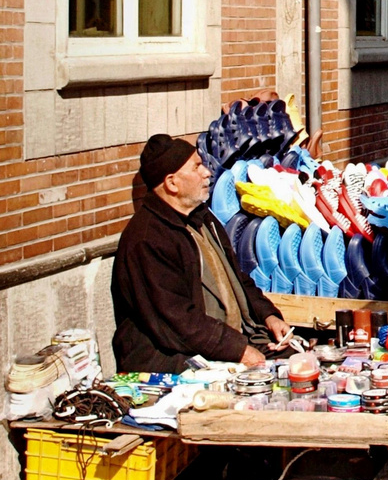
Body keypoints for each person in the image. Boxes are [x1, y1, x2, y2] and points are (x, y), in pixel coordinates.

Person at [111, 135, 290, 372]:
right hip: (170, 357)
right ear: (172, 183)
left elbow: (238, 277)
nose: (207, 172)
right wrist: (240, 351)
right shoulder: (147, 240)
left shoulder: (203, 218)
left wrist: (268, 315)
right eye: (196, 167)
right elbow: (177, 322)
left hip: (229, 339)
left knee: (301, 360)